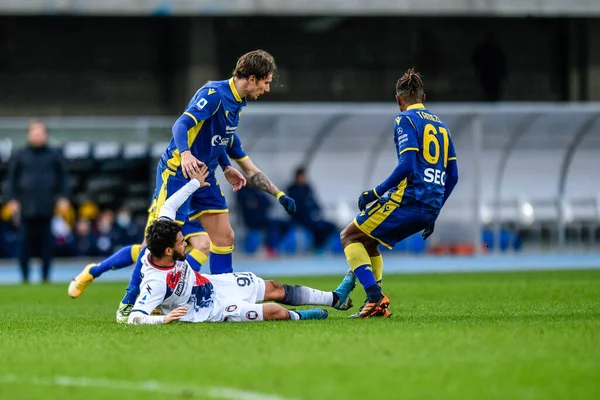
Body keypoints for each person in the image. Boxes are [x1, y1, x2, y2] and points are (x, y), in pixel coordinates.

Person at [68, 132, 296, 319]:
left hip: (198, 197)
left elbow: (248, 168)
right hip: (174, 194)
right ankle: (110, 285)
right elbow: (179, 137)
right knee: (149, 248)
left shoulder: (228, 135)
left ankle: (184, 292)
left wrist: (278, 194)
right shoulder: (195, 126)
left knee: (204, 244)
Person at [128, 165, 354, 325]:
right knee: (276, 312)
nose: (185, 243)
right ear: (168, 251)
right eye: (180, 243)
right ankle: (300, 316)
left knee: (274, 287)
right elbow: (135, 317)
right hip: (211, 310)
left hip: (215, 284)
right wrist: (163, 319)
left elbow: (170, 203)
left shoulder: (164, 230)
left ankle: (335, 298)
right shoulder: (155, 282)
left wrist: (195, 183)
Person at [338, 69, 459, 318]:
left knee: (349, 236)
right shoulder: (442, 126)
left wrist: (375, 192)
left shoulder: (405, 119)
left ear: (398, 100)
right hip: (430, 206)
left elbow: (408, 165)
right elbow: (453, 176)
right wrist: (434, 212)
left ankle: (374, 297)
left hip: (407, 200)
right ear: (423, 96)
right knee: (369, 241)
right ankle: (376, 306)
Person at [5, 120, 70, 283]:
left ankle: (45, 277)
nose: (37, 136)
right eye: (34, 133)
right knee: (24, 244)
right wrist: (12, 199)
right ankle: (25, 277)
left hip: (47, 206)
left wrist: (63, 197)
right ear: (29, 135)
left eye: (40, 133)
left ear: (45, 135)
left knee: (46, 244)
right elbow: (11, 179)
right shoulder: (20, 154)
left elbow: (63, 178)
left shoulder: (53, 154)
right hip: (26, 207)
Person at [287, 167, 337, 252]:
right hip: (299, 219)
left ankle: (320, 246)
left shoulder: (308, 188)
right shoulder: (292, 190)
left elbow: (314, 202)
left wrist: (318, 210)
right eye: (301, 177)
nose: (302, 179)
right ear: (297, 177)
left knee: (330, 226)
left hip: (311, 218)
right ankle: (316, 247)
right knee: (317, 228)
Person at [236, 182, 294, 256]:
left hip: (262, 218)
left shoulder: (257, 190)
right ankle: (270, 247)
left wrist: (258, 204)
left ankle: (272, 246)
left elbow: (268, 203)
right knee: (272, 225)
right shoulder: (242, 192)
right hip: (251, 220)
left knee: (285, 225)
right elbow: (246, 207)